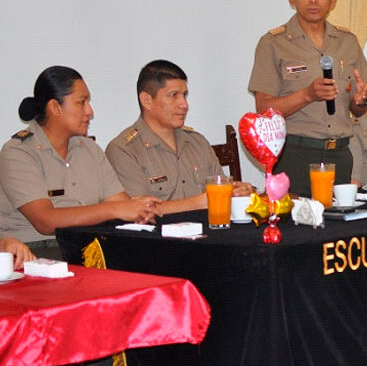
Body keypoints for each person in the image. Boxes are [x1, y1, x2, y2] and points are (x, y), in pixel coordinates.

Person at [248, 0, 367, 197]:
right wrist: (307, 95)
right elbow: (263, 110)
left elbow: (357, 108)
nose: (313, 0)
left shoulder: (347, 41)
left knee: (341, 231)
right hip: (296, 155)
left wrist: (362, 100)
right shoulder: (273, 43)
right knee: (299, 232)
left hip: (340, 155)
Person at [0, 66, 159, 244]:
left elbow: (122, 204)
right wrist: (113, 210)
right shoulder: (19, 153)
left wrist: (139, 210)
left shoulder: (90, 149)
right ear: (55, 107)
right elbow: (46, 222)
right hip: (35, 252)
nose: (90, 112)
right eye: (81, 102)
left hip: (87, 248)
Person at [106, 60, 252, 215]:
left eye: (184, 95)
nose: (184, 104)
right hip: (157, 237)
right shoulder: (124, 150)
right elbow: (136, 212)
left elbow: (221, 192)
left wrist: (237, 192)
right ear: (147, 100)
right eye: (173, 95)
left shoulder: (198, 142)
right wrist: (199, 202)